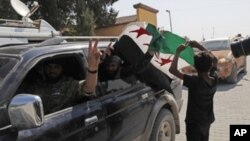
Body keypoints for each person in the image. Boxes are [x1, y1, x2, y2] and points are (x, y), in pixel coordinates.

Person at [19, 40, 101, 114]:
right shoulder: (38, 84)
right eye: (49, 67)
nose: (52, 70)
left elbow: (89, 89)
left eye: (56, 67)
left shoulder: (69, 85)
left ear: (62, 68)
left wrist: (92, 69)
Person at [169, 40, 218, 141]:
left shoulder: (194, 81)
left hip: (194, 124)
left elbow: (172, 70)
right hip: (206, 121)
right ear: (210, 66)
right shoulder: (214, 78)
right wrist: (199, 46)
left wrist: (177, 52)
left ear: (195, 67)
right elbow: (215, 60)